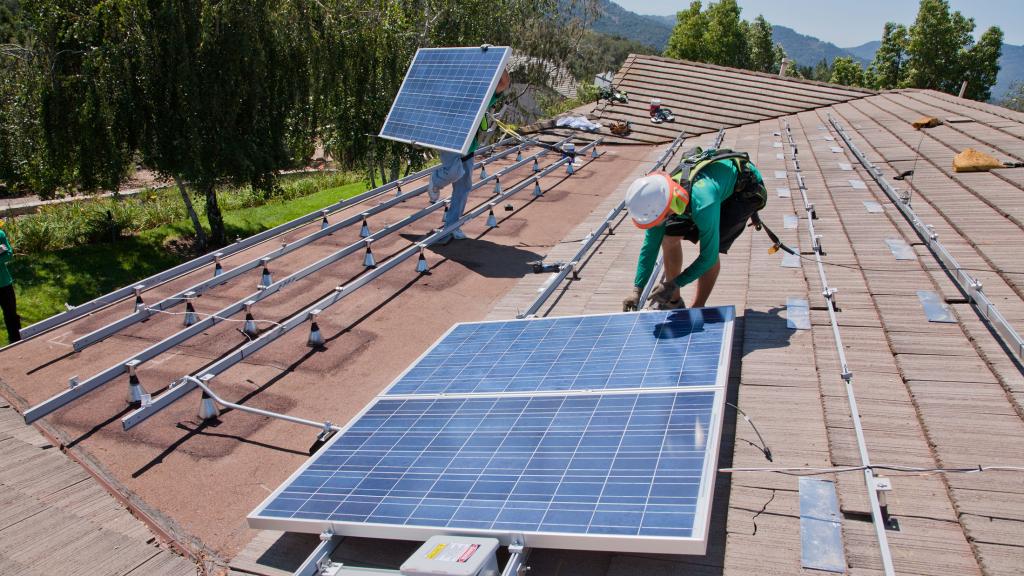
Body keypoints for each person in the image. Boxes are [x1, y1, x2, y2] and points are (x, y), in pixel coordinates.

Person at [622, 152, 764, 311]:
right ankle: (673, 302)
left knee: (712, 249)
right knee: (668, 239)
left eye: (660, 218)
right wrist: (637, 290)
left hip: (741, 192)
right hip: (701, 193)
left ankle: (698, 307)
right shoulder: (658, 199)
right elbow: (650, 247)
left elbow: (708, 257)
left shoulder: (703, 203)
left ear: (666, 208)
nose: (658, 223)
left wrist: (674, 284)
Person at [429, 68, 511, 243]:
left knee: (463, 187)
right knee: (454, 172)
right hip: (447, 140)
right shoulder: (445, 94)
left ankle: (452, 225)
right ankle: (435, 181)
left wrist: (500, 60)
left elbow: (504, 83)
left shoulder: (480, 97)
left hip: (468, 145)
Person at [0, 219, 21, 343]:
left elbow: (9, 254)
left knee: (11, 315)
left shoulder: (0, 234)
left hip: (4, 283)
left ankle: (17, 342)